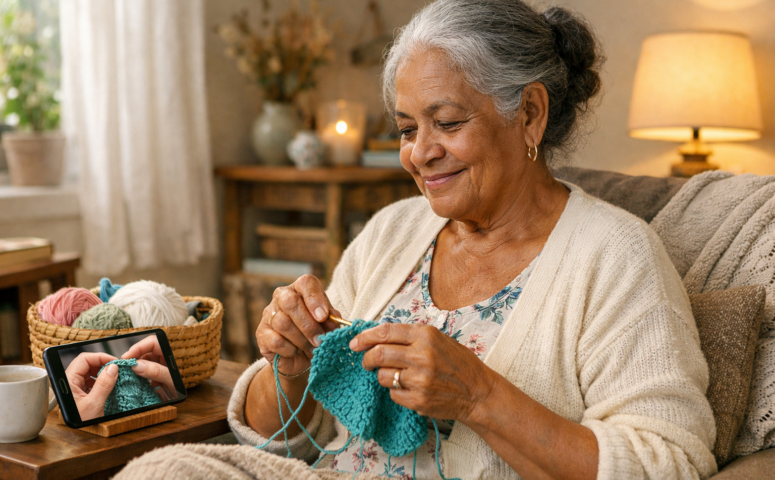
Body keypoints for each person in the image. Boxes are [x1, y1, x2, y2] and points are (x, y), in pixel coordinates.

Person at [115, 1, 717, 479]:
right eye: (407, 129)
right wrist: (290, 368)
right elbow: (284, 437)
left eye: (448, 123)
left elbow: (671, 462)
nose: (420, 153)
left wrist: (479, 395)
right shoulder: (393, 230)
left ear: (530, 114)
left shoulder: (617, 257)